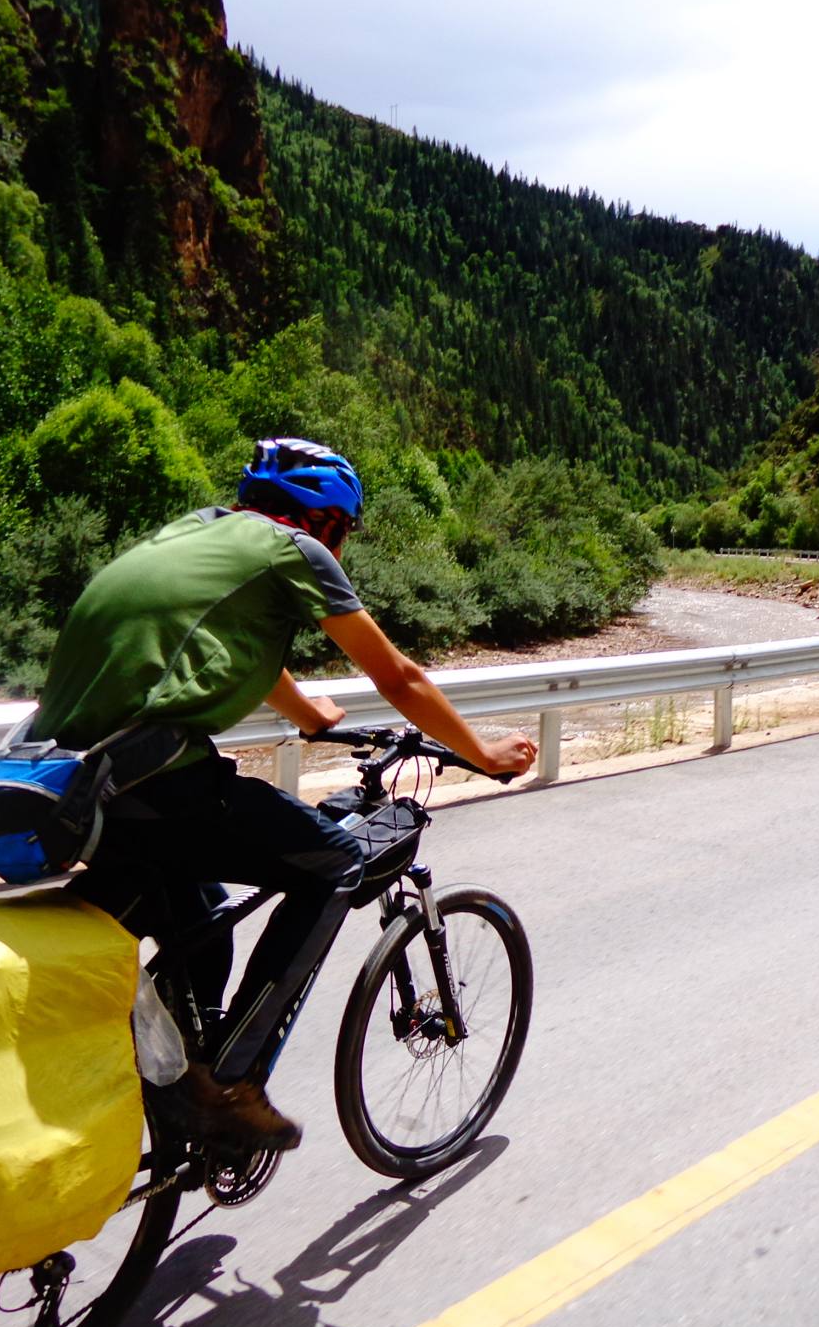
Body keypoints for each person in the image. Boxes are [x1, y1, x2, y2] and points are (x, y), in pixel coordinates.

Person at [28, 437, 536, 1151]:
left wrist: (307, 715)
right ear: (327, 520)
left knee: (201, 906)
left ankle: (178, 1074)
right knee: (335, 861)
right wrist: (481, 754)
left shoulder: (193, 533)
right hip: (156, 782)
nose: (343, 543)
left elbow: (220, 639)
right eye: (346, 530)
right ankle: (229, 1086)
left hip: (61, 782)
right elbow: (399, 679)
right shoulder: (296, 551)